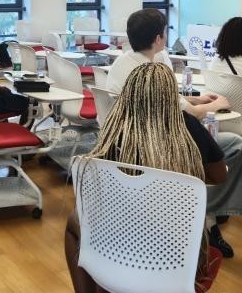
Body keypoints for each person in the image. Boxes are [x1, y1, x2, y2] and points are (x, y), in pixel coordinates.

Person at [65, 63, 223, 293]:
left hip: (117, 241)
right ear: (173, 96)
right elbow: (219, 176)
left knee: (73, 222)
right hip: (176, 255)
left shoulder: (115, 129)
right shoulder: (187, 125)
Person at [104, 8, 242, 258]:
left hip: (130, 146)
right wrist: (215, 105)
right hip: (163, 148)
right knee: (235, 144)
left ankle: (207, 217)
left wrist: (196, 98)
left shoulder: (123, 64)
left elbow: (175, 102)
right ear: (158, 38)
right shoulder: (152, 76)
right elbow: (190, 114)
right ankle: (209, 217)